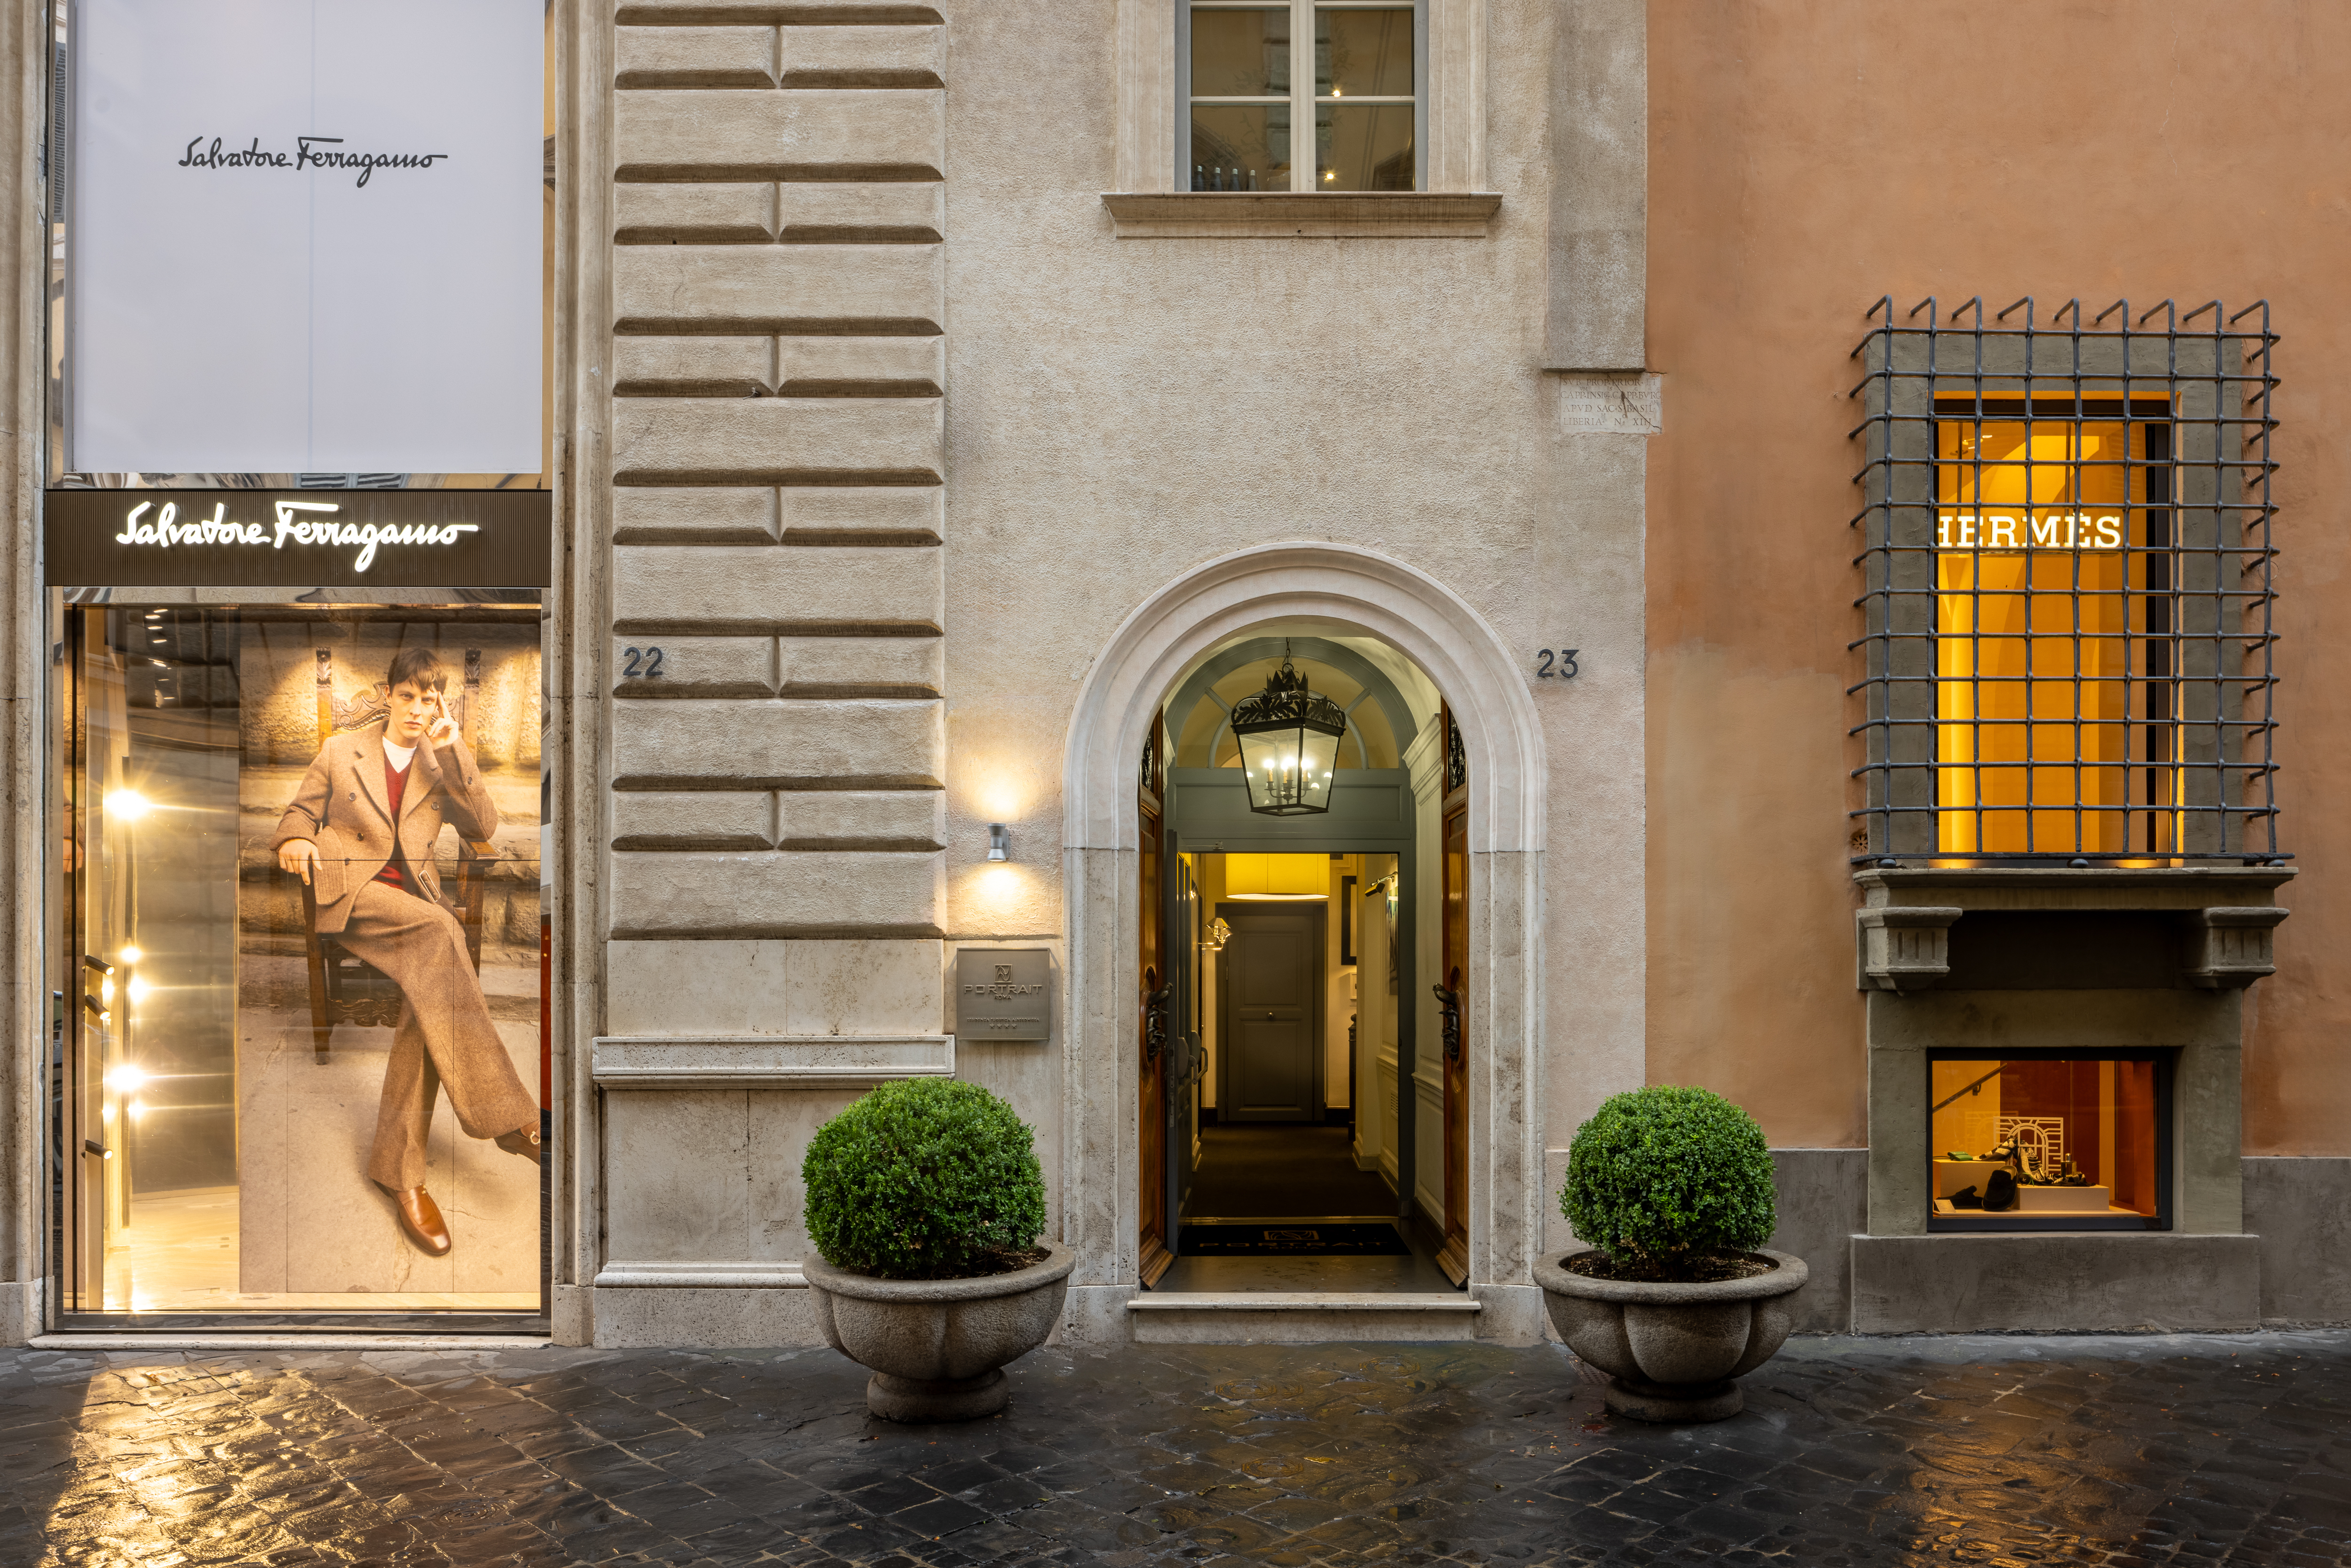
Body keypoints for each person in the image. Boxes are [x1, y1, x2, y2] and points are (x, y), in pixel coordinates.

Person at [272, 647, 539, 1256]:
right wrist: (294, 839)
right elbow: (299, 811)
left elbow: (485, 826)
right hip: (352, 894)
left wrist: (452, 750)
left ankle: (402, 1176)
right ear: (389, 694)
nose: (419, 709)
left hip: (412, 909)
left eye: (430, 699)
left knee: (428, 998)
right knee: (443, 935)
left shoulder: (437, 757)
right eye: (410, 697)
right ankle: (507, 1119)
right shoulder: (342, 752)